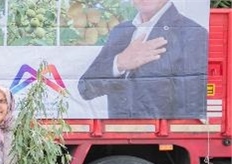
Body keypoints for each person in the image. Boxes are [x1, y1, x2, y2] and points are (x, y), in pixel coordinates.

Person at [78, 0, 207, 119]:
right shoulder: (120, 31)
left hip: (158, 138)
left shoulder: (192, 33)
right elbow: (85, 88)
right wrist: (119, 63)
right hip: (116, 136)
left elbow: (191, 106)